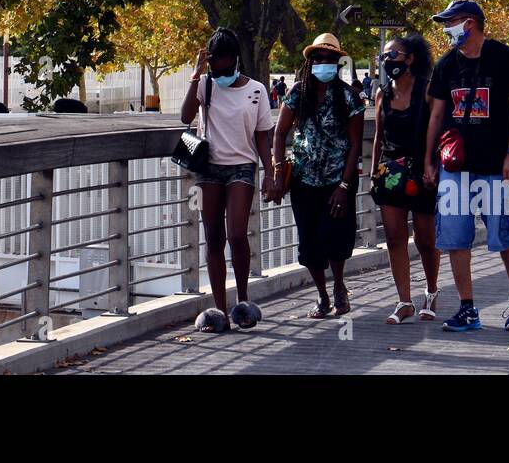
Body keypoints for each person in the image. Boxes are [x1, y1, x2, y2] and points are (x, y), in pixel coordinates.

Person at [424, 0, 509, 332]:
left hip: (498, 166)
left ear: (470, 23)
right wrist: (429, 160)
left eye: (451, 22)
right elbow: (438, 115)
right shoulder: (446, 65)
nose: (446, 29)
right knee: (455, 238)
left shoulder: (502, 57)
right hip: (456, 167)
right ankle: (467, 309)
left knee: (505, 236)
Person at [180, 27, 276, 333]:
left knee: (236, 233)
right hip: (209, 167)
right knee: (213, 237)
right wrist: (196, 75)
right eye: (214, 66)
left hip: (242, 167)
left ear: (235, 60)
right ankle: (219, 310)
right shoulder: (205, 84)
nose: (220, 72)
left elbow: (263, 137)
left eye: (225, 65)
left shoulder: (257, 90)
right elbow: (185, 117)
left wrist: (270, 172)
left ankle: (243, 303)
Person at [269, 33, 364, 319]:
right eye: (319, 59)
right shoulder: (298, 92)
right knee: (309, 242)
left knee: (334, 237)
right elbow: (279, 132)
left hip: (337, 180)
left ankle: (339, 287)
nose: (324, 63)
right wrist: (276, 169)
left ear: (338, 63)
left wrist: (345, 186)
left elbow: (355, 144)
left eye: (331, 59)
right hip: (303, 179)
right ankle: (323, 295)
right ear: (310, 62)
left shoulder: (349, 96)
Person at [370, 34, 441, 323]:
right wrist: (374, 171)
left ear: (410, 59)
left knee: (425, 238)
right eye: (384, 57)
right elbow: (377, 136)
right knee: (394, 237)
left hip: (421, 173)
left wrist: (430, 165)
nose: (387, 61)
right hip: (390, 173)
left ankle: (432, 292)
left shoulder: (427, 90)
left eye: (393, 55)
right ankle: (404, 301)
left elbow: (434, 132)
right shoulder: (382, 94)